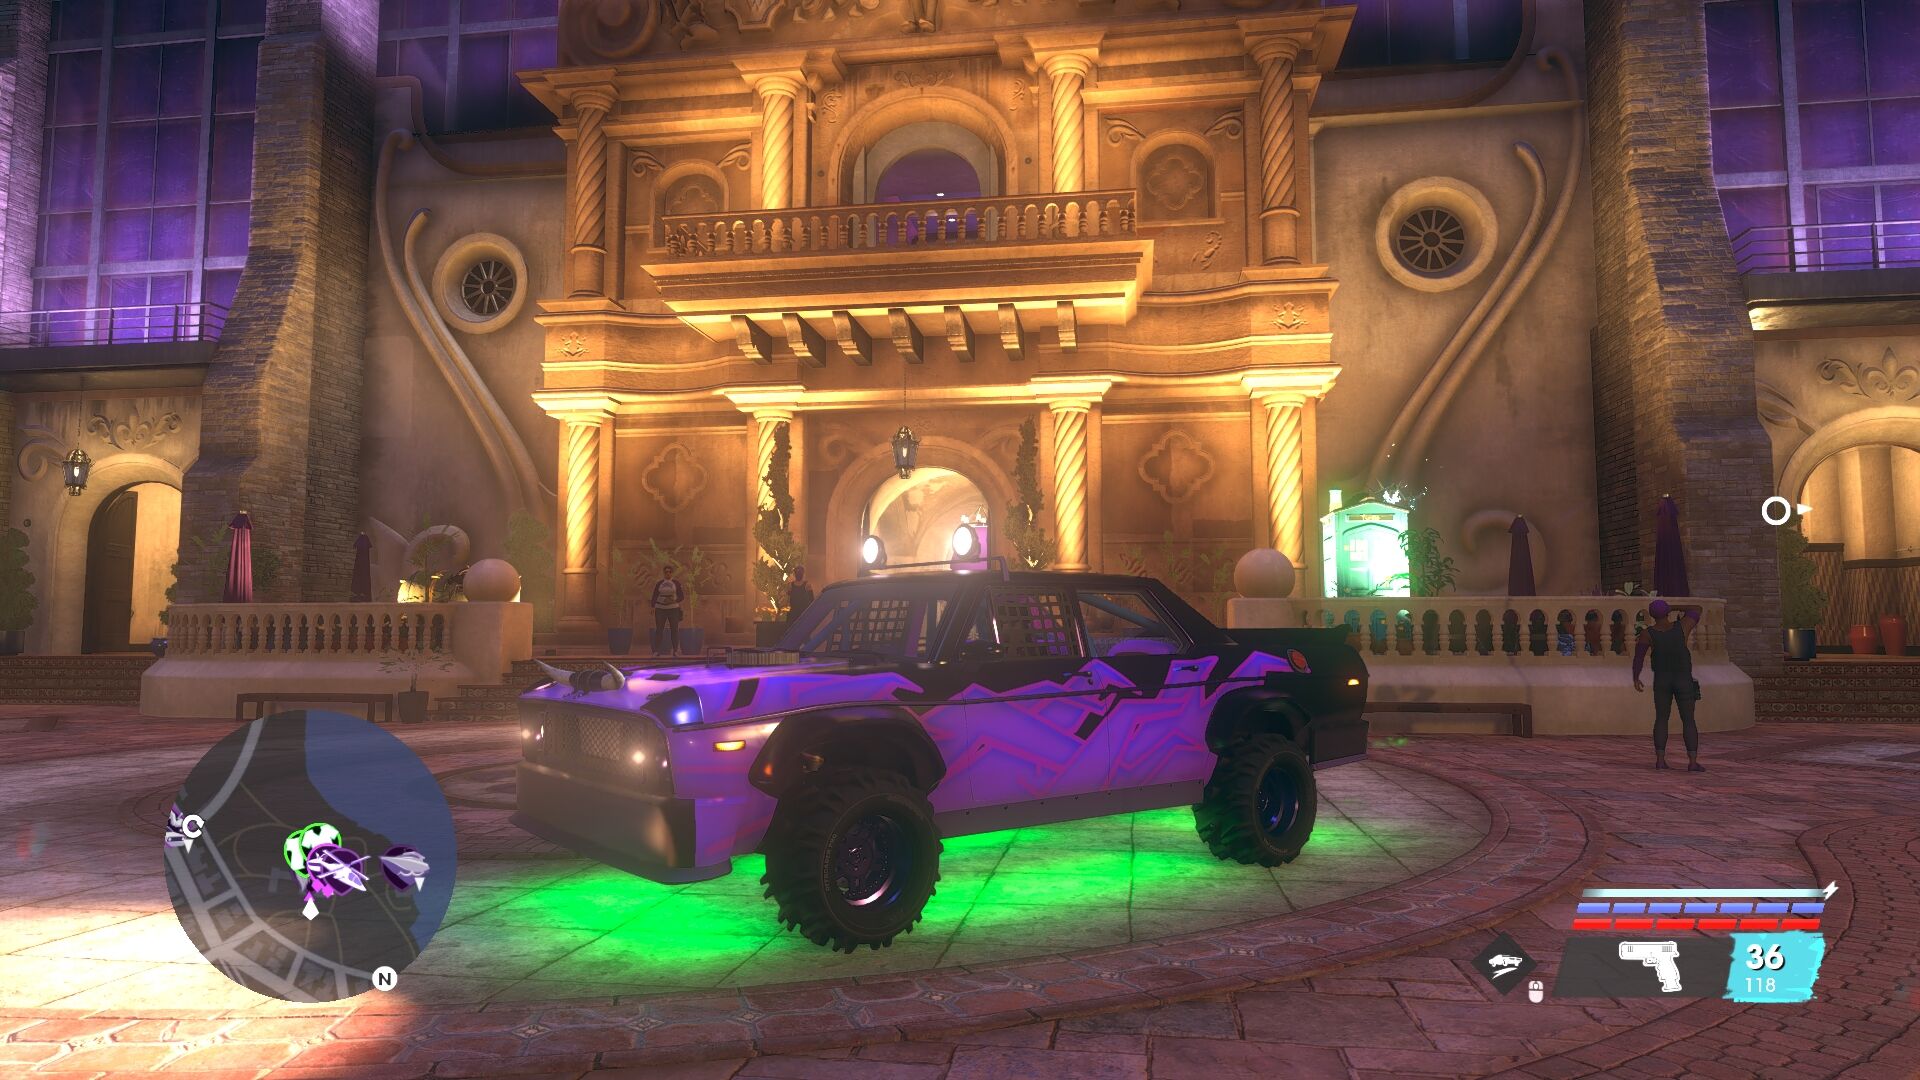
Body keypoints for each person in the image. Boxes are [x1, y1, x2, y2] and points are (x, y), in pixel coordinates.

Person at [1632, 598, 1705, 772]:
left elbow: (1639, 657)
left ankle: (1660, 760)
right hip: (1683, 679)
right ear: (1667, 612)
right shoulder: (1682, 627)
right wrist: (1673, 607)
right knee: (1688, 720)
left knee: (1661, 718)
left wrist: (1636, 677)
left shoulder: (1647, 634)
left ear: (1652, 615)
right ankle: (1692, 762)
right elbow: (1697, 608)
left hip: (1662, 681)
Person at [651, 564, 685, 657]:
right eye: (666, 572)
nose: (668, 573)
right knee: (659, 630)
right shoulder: (659, 583)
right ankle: (656, 651)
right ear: (664, 573)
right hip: (660, 609)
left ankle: (675, 650)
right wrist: (653, 606)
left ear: (672, 573)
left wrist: (674, 600)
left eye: (670, 572)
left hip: (673, 609)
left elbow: (681, 596)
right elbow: (654, 595)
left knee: (674, 630)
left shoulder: (676, 583)